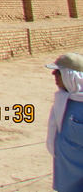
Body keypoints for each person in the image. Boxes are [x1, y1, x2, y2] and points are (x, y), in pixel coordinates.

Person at [46, 52, 83, 192]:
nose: (53, 75)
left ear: (72, 75)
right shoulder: (63, 101)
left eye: (58, 72)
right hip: (66, 179)